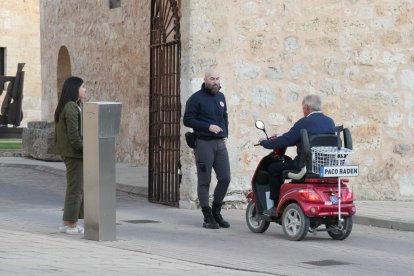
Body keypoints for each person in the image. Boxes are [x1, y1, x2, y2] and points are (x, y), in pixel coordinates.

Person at [259, 94, 335, 215]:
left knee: (273, 168)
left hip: (304, 166)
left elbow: (286, 140)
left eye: (303, 107)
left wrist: (265, 143)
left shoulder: (303, 122)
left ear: (306, 107)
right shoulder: (330, 122)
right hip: (325, 166)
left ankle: (275, 204)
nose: (303, 110)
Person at [183, 69, 231, 229]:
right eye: (212, 79)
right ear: (205, 80)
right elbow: (187, 120)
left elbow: (224, 116)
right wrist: (208, 126)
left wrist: (225, 135)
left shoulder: (221, 97)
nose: (216, 81)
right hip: (203, 143)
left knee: (225, 178)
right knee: (205, 180)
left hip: (220, 143)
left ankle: (217, 212)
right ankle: (207, 216)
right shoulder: (196, 98)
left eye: (217, 78)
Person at [54, 76, 86, 234]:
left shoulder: (70, 106)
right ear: (75, 89)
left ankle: (70, 221)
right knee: (75, 188)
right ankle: (69, 224)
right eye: (83, 87)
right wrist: (86, 150)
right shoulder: (71, 107)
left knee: (76, 187)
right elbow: (74, 135)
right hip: (74, 154)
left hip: (72, 154)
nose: (85, 89)